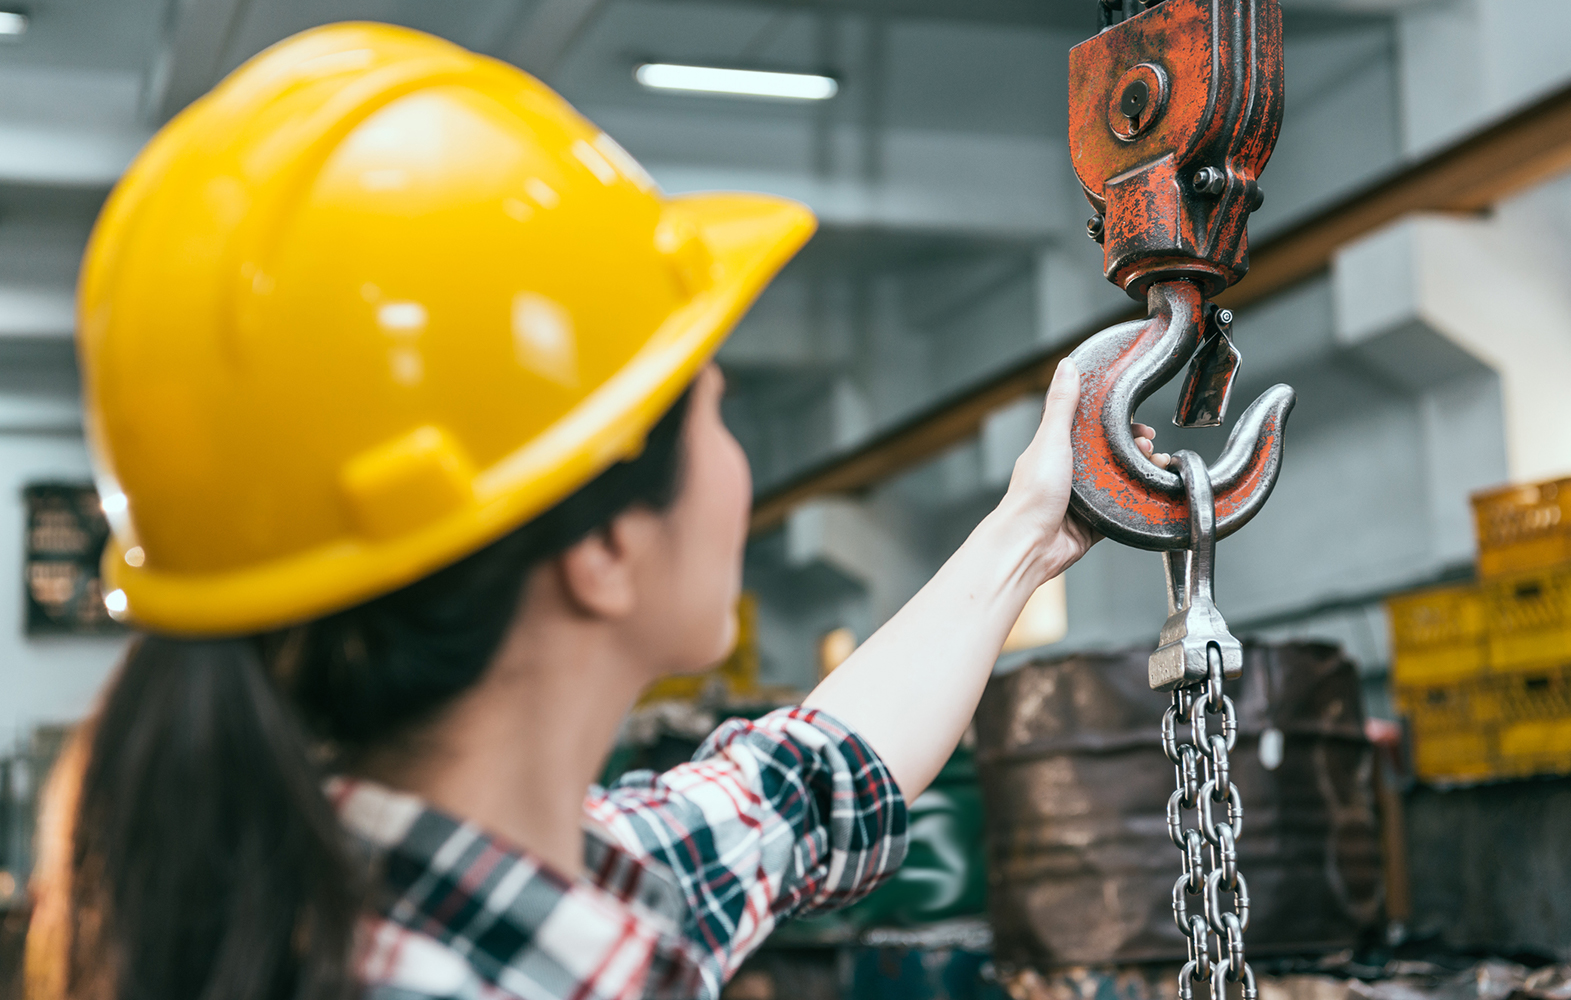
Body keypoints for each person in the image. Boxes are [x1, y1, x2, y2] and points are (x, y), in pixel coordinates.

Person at [26, 21, 1167, 1000]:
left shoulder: (460, 891)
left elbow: (803, 784)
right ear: (605, 548)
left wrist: (1030, 527)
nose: (737, 464)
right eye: (718, 412)